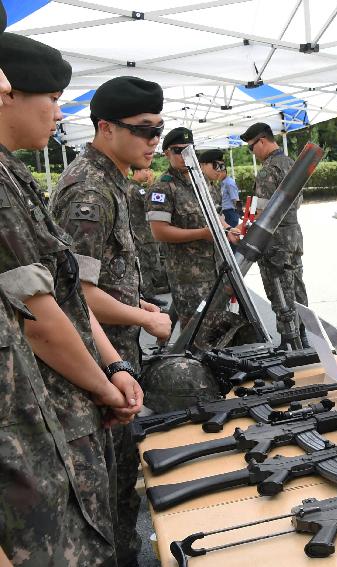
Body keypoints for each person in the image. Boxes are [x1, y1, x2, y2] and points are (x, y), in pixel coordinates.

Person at [0, 31, 143, 565]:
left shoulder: (14, 177)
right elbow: (38, 316)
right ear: (9, 94)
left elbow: (66, 297)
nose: (59, 114)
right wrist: (105, 387)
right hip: (47, 420)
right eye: (52, 98)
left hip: (69, 405)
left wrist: (114, 365)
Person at [49, 75, 172, 567]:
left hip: (113, 357)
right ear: (106, 127)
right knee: (112, 502)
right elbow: (73, 296)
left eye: (159, 130)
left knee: (122, 489)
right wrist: (145, 321)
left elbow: (102, 278)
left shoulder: (110, 182)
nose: (154, 142)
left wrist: (134, 306)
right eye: (144, 130)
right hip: (99, 366)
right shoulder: (91, 192)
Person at [146, 128, 238, 329]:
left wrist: (229, 230)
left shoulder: (203, 182)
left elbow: (217, 216)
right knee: (195, 333)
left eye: (190, 149)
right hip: (188, 277)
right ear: (167, 153)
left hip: (216, 270)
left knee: (219, 330)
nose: (185, 155)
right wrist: (203, 234)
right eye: (178, 150)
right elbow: (159, 231)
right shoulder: (163, 187)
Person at [240, 122, 307, 347]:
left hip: (275, 241)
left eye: (251, 147)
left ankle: (290, 341)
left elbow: (264, 212)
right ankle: (304, 335)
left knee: (279, 288)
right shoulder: (291, 163)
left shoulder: (269, 170)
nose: (253, 153)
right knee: (297, 286)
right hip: (293, 236)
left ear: (261, 141)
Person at [129, 167, 170, 300]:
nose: (149, 173)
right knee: (150, 267)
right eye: (146, 170)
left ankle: (149, 297)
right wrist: (152, 184)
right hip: (144, 236)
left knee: (147, 266)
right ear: (137, 171)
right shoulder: (136, 189)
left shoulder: (128, 186)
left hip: (138, 234)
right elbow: (151, 202)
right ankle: (148, 298)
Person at [201, 149, 240, 228]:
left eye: (222, 167)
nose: (219, 171)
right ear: (202, 165)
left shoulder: (214, 186)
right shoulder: (197, 185)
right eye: (216, 166)